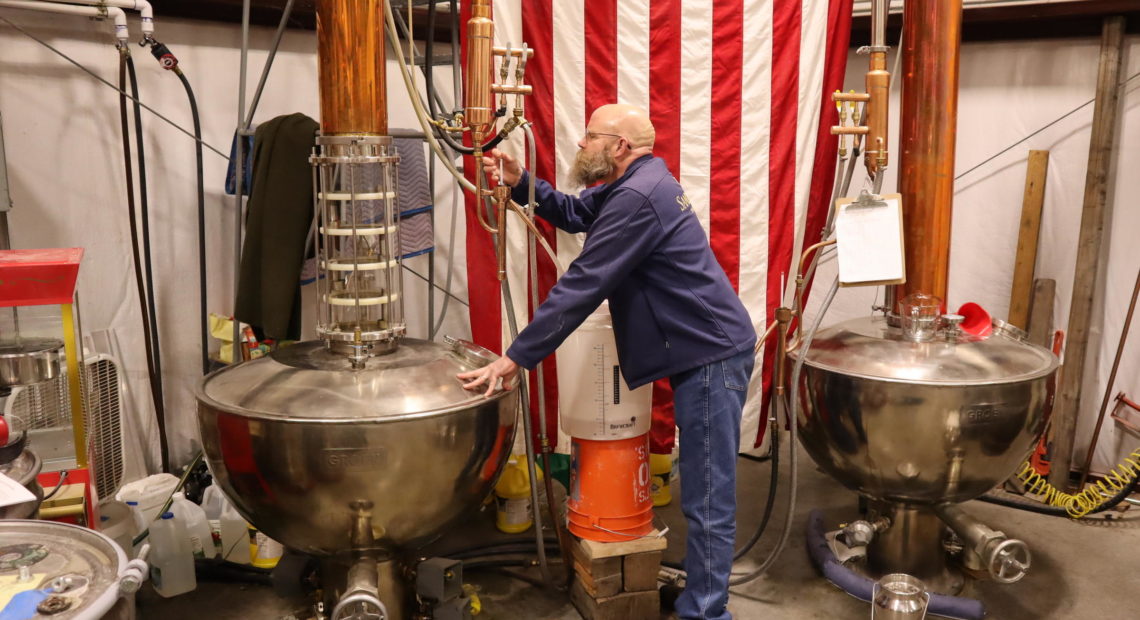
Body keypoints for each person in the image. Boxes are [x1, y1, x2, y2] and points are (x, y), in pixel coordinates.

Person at [457, 103, 756, 620]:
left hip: (712, 356)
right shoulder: (638, 182)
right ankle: (700, 596)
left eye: (591, 136)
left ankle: (706, 612)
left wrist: (516, 358)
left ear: (619, 148)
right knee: (704, 490)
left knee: (708, 497)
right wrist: (523, 180)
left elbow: (583, 284)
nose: (580, 144)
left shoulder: (640, 195)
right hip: (703, 349)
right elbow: (576, 213)